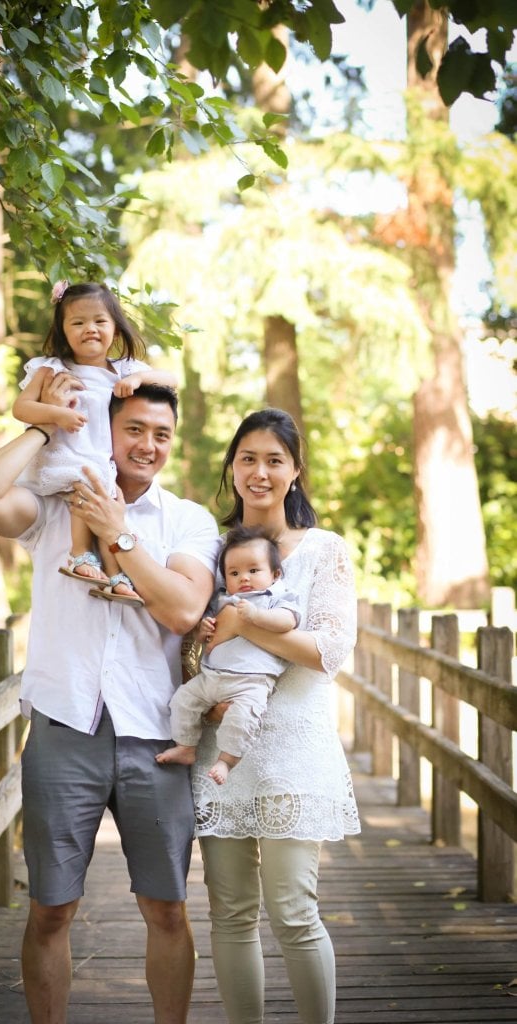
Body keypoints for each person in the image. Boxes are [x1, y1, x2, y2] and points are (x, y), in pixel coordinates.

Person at [0, 376, 220, 1024]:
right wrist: (47, 426)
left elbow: (186, 608)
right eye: (133, 428)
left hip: (154, 735)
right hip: (63, 722)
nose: (147, 445)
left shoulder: (186, 520)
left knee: (165, 907)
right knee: (50, 908)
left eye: (161, 433)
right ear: (107, 429)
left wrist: (118, 533)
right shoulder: (52, 508)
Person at [191, 408, 360, 1024]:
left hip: (294, 747)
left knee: (293, 908)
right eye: (247, 459)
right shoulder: (210, 549)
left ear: (295, 472)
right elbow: (190, 647)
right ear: (232, 467)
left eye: (273, 460)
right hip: (221, 750)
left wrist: (246, 624)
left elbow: (326, 652)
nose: (259, 472)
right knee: (230, 911)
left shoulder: (324, 550)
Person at [12, 280, 178, 605]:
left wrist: (138, 380)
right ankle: (79, 554)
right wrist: (55, 415)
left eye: (99, 321)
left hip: (104, 458)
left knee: (110, 506)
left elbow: (171, 380)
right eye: (78, 322)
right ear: (63, 332)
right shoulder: (52, 370)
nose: (90, 329)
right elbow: (21, 408)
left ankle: (115, 575)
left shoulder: (122, 371)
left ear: (115, 330)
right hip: (67, 452)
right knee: (85, 487)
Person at [156, 525, 300, 785]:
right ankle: (186, 746)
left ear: (275, 574)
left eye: (254, 570)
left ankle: (226, 760)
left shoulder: (277, 597)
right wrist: (204, 630)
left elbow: (287, 622)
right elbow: (204, 639)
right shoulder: (223, 600)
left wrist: (257, 617)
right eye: (234, 573)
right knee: (182, 700)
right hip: (212, 677)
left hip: (250, 682)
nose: (244, 578)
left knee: (242, 719)